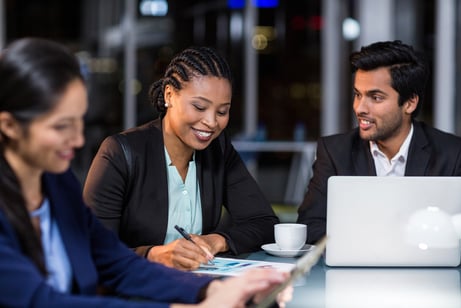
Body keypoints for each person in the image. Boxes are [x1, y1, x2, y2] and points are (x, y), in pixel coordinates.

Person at [0, 37, 290, 307]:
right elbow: (41, 301)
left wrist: (212, 290)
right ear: (9, 125)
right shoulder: (116, 153)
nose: (77, 140)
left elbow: (115, 263)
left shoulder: (56, 183)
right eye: (61, 126)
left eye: (80, 122)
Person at [83, 46, 279, 270]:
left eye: (222, 111)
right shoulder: (120, 152)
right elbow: (92, 249)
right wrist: (153, 255)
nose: (211, 122)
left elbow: (264, 223)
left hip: (192, 290)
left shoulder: (218, 150)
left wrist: (214, 241)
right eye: (199, 106)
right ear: (169, 95)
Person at [297, 40, 461, 244]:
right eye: (358, 94)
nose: (360, 108)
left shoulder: (452, 154)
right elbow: (310, 226)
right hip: (355, 272)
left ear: (410, 102)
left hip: (429, 273)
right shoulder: (334, 151)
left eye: (375, 98)